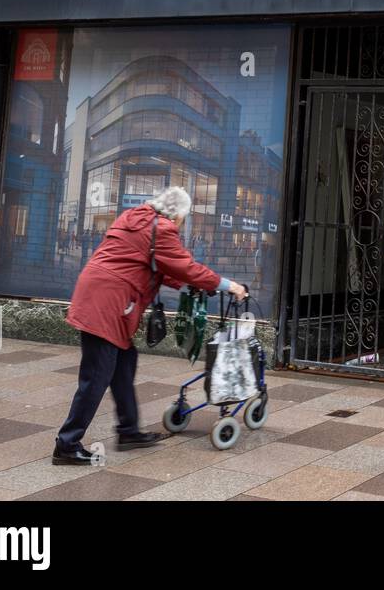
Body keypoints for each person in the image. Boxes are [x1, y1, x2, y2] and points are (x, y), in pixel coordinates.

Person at [53, 186, 247, 465]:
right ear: (178, 214)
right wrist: (228, 285)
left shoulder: (134, 218)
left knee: (124, 362)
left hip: (98, 295)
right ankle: (67, 444)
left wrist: (192, 282)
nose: (182, 223)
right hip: (108, 303)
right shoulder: (163, 228)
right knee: (96, 376)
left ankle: (128, 430)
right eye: (184, 217)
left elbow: (153, 264)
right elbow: (184, 266)